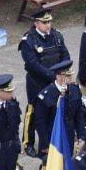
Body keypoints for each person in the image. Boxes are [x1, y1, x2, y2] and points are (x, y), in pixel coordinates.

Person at [18, 9, 70, 156]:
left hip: (54, 82)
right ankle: (28, 142)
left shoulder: (56, 36)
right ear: (36, 23)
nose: (48, 25)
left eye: (49, 22)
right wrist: (52, 75)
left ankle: (48, 142)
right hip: (37, 82)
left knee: (53, 110)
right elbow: (32, 63)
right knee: (33, 112)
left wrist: (61, 72)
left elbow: (65, 55)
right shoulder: (29, 40)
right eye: (44, 22)